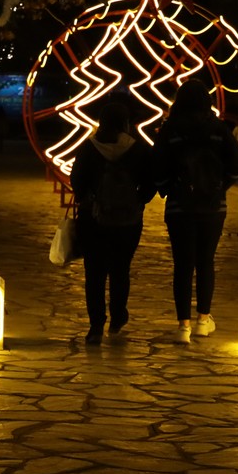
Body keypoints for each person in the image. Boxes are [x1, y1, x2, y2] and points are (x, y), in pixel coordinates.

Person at [153, 80, 238, 343]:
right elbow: (237, 163)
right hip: (213, 207)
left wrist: (167, 188)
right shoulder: (218, 129)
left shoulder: (170, 129)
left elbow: (157, 165)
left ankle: (183, 325)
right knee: (206, 261)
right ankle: (203, 320)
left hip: (179, 207)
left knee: (182, 265)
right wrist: (221, 186)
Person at [68, 99, 154, 344]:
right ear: (126, 123)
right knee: (120, 270)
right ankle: (117, 317)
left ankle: (96, 325)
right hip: (128, 221)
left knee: (94, 272)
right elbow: (150, 183)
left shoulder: (89, 147)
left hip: (93, 220)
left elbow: (77, 181)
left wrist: (88, 199)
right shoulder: (138, 149)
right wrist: (138, 201)